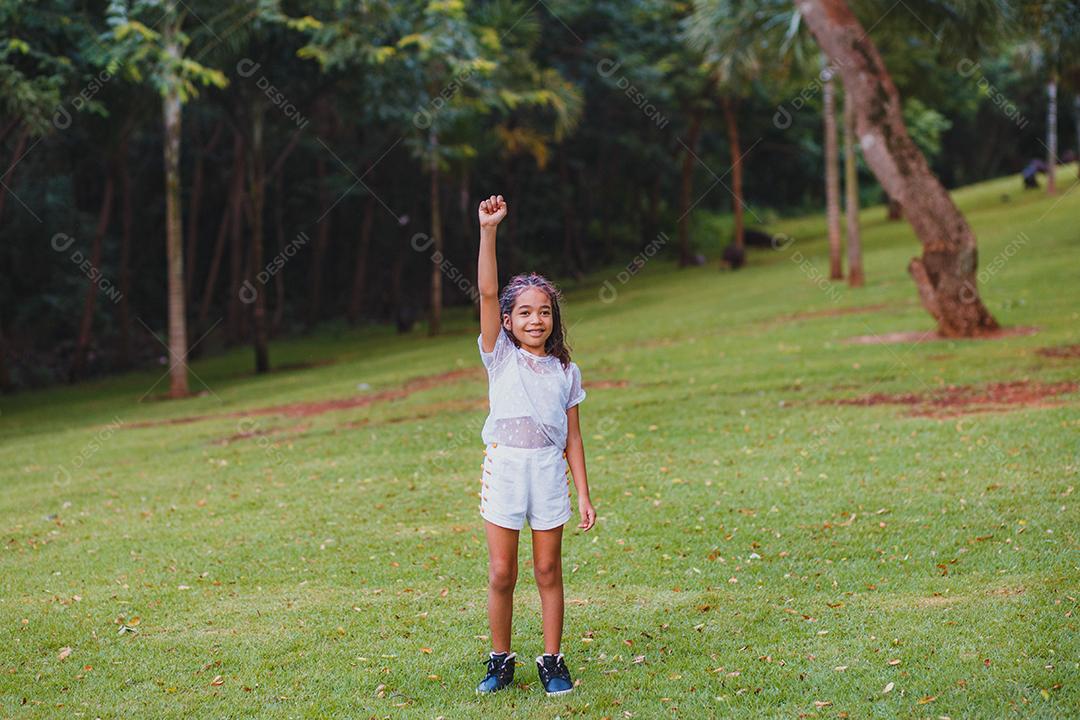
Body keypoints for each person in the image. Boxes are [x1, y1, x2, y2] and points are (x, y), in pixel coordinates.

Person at [473, 194, 597, 697]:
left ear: (554, 319)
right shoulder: (499, 356)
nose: (535, 320)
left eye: (544, 312)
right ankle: (500, 660)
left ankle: (552, 660)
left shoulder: (566, 370)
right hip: (505, 470)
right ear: (507, 321)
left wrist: (583, 493)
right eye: (524, 313)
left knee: (548, 569)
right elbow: (487, 292)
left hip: (547, 473)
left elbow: (574, 437)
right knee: (503, 572)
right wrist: (488, 231)